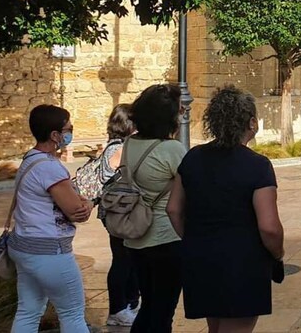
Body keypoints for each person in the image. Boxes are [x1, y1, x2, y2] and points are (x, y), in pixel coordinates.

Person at [167, 86, 285, 333]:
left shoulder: (193, 158)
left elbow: (173, 209)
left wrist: (193, 238)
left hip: (200, 257)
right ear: (251, 122)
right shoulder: (257, 166)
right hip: (242, 262)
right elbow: (269, 226)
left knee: (216, 327)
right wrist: (277, 253)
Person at [10, 105, 93, 332]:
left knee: (28, 311)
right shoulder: (49, 168)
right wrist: (89, 202)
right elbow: (76, 211)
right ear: (55, 135)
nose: (70, 133)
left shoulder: (31, 158)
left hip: (25, 245)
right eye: (68, 129)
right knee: (73, 314)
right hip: (49, 250)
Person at [124, 84, 188, 333]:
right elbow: (190, 189)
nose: (182, 115)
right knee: (163, 312)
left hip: (136, 239)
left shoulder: (130, 144)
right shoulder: (170, 149)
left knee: (149, 306)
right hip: (165, 238)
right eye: (179, 111)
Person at [102, 104, 140, 327]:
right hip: (118, 212)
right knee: (122, 260)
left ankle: (130, 302)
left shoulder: (120, 146)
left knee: (130, 258)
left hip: (124, 210)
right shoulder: (118, 148)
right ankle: (117, 308)